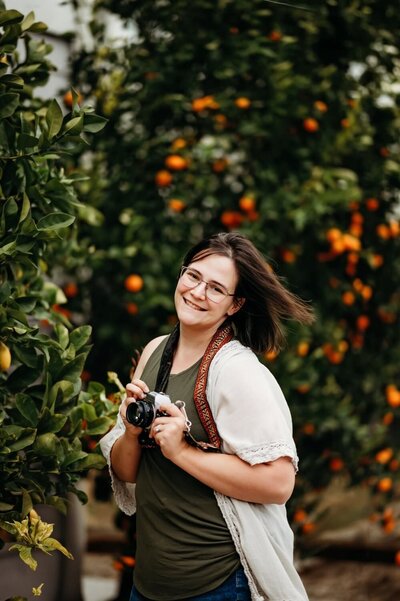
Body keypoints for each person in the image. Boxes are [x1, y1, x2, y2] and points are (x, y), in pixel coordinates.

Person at [100, 232, 314, 601]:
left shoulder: (238, 372)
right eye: (193, 276)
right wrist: (133, 433)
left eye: (216, 288)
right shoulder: (155, 352)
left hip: (217, 584)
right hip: (148, 584)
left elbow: (279, 482)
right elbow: (127, 472)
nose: (198, 292)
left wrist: (183, 452)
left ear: (234, 305)